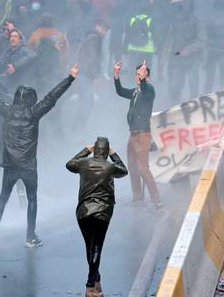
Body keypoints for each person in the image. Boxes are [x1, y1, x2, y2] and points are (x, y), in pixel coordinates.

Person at [0, 61, 79, 247]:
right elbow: (52, 97)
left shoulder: (7, 110)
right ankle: (30, 237)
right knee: (32, 200)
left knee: (2, 198)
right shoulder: (34, 113)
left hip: (10, 165)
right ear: (31, 99)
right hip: (28, 166)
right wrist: (70, 78)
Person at [66, 137, 128, 297]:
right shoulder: (110, 167)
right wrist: (114, 154)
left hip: (83, 211)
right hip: (102, 212)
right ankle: (90, 286)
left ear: (95, 149)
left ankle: (96, 280)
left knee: (89, 247)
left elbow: (69, 164)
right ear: (106, 151)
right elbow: (124, 170)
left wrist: (86, 150)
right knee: (96, 247)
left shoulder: (84, 164)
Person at [113, 60, 162, 210]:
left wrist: (143, 76)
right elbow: (120, 91)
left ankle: (157, 201)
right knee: (133, 167)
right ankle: (138, 198)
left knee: (143, 168)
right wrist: (116, 75)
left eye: (140, 74)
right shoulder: (135, 92)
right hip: (133, 134)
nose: (137, 76)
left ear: (147, 77)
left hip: (142, 134)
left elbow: (146, 89)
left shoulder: (149, 91)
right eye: (136, 74)